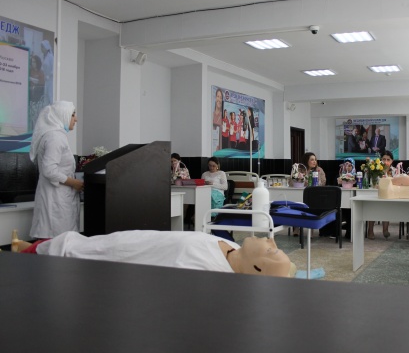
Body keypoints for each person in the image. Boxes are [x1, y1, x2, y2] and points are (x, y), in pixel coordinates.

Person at [13, 231, 296, 278]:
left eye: (272, 249)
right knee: (103, 242)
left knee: (94, 249)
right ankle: (35, 247)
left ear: (256, 268)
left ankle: (33, 250)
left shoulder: (208, 273)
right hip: (141, 239)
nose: (271, 239)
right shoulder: (231, 247)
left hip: (134, 252)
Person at [29, 101, 84, 239]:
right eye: (72, 115)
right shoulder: (55, 137)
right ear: (62, 115)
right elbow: (49, 170)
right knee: (56, 240)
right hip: (55, 199)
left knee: (60, 239)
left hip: (58, 196)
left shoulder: (56, 135)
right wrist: (73, 183)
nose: (76, 119)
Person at [367, 150, 396, 239]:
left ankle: (385, 230)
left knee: (387, 206)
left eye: (388, 159)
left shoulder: (394, 171)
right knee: (372, 207)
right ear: (380, 160)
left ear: (392, 161)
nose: (386, 161)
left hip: (389, 194)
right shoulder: (375, 169)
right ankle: (370, 230)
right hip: (376, 193)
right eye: (384, 159)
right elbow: (372, 182)